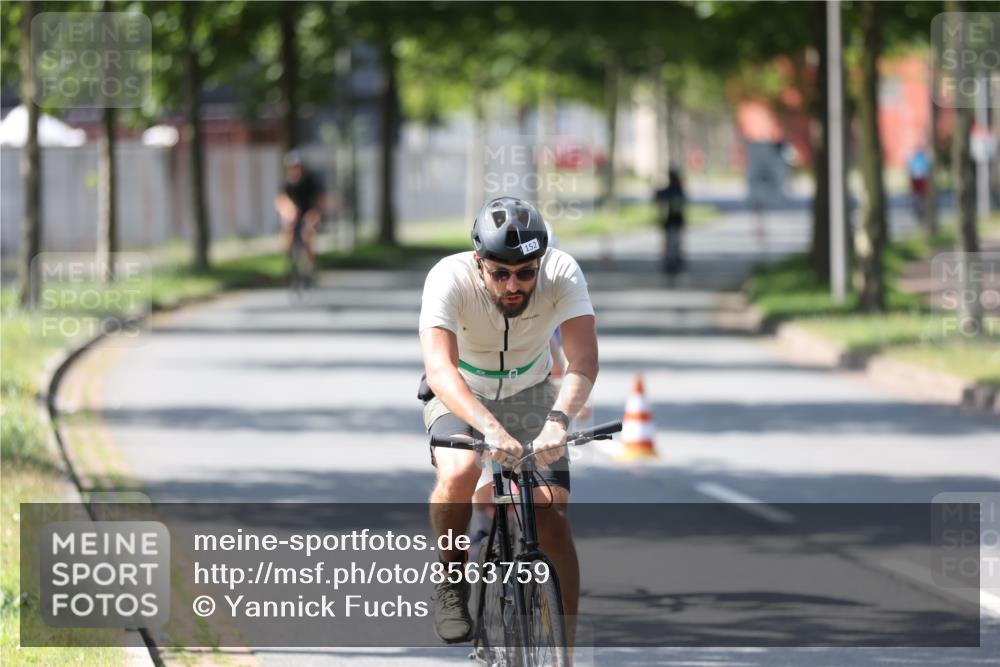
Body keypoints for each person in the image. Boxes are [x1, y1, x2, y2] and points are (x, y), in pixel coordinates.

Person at [418, 196, 599, 644]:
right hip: (463, 389)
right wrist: (492, 430)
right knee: (459, 471)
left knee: (550, 509)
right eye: (500, 273)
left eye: (525, 272)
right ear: (479, 262)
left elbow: (583, 358)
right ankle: (451, 579)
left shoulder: (562, 272)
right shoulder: (448, 277)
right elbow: (440, 368)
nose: (513, 285)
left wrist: (558, 422)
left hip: (531, 389)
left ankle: (564, 648)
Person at [273, 150, 327, 270]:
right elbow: (280, 200)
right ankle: (289, 260)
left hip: (309, 213)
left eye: (297, 167)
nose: (295, 170)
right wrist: (287, 212)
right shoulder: (287, 183)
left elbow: (318, 201)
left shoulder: (310, 182)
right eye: (292, 167)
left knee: (307, 234)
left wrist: (314, 214)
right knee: (287, 229)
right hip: (294, 215)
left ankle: (311, 265)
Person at [654, 167, 686, 277]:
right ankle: (674, 261)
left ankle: (673, 261)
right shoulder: (679, 189)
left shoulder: (673, 190)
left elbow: (659, 197)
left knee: (672, 242)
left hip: (672, 221)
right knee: (674, 242)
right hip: (676, 221)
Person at [907, 146, 931, 221]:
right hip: (919, 179)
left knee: (919, 195)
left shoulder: (919, 158)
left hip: (919, 178)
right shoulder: (921, 157)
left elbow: (910, 168)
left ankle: (920, 208)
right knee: (919, 195)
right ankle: (919, 207)